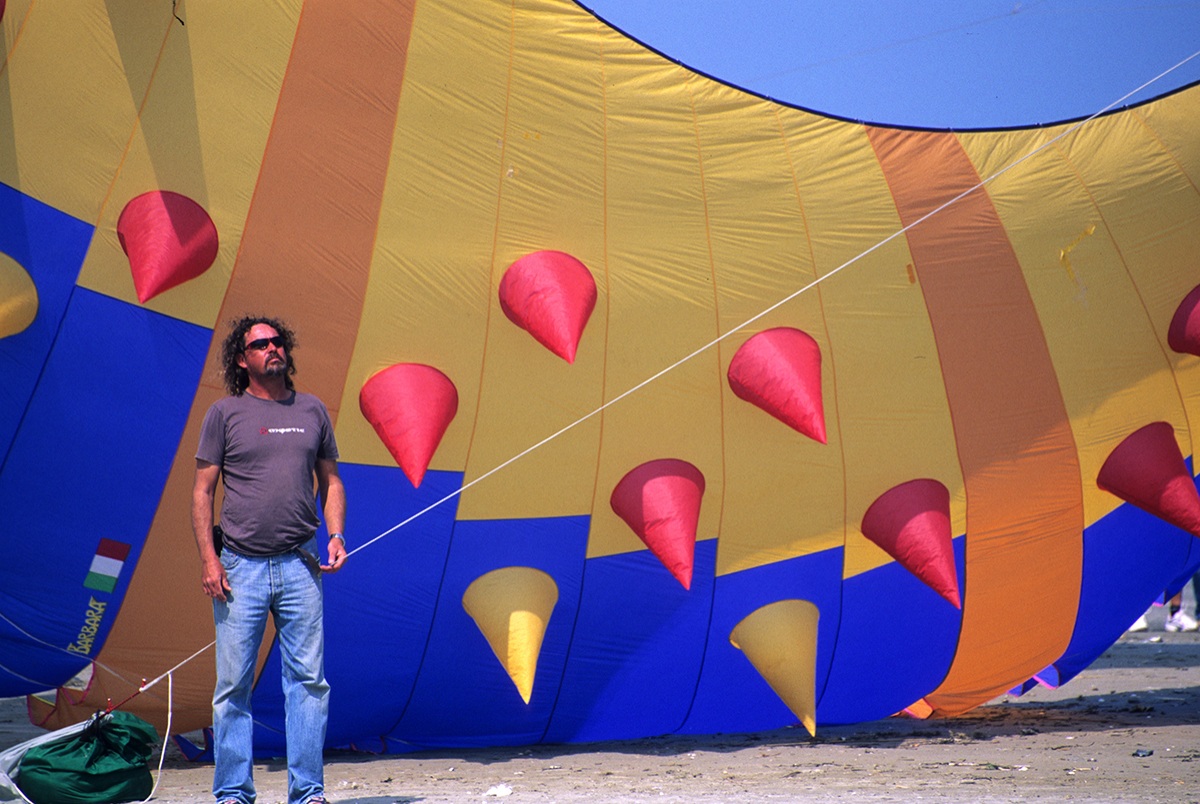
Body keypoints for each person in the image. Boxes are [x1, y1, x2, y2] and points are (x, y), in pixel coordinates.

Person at [192, 315, 347, 804]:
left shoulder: (313, 409)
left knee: (308, 684)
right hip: (240, 568)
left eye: (278, 341)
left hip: (301, 566)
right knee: (233, 686)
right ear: (243, 359)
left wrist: (337, 534)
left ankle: (308, 792)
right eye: (260, 344)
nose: (272, 348)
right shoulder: (224, 413)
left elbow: (333, 482)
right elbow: (202, 492)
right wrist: (209, 562)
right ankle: (234, 792)